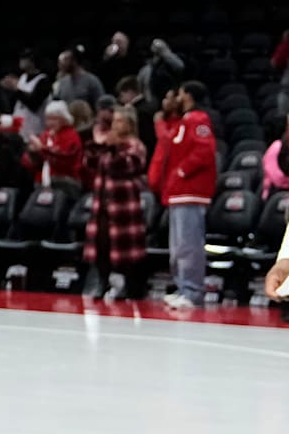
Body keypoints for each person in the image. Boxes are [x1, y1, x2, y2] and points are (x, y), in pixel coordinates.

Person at [148, 81, 217, 310]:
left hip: (190, 191)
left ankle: (193, 291)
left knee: (189, 245)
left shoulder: (198, 120)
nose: (176, 97)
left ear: (187, 95)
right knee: (178, 247)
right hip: (179, 192)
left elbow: (205, 151)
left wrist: (181, 171)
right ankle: (182, 287)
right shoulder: (184, 122)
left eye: (179, 93)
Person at [81, 106, 148, 300]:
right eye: (114, 121)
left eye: (119, 121)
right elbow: (89, 165)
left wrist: (112, 147)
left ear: (129, 124)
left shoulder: (135, 145)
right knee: (101, 246)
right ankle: (102, 283)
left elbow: (123, 166)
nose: (115, 125)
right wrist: (96, 146)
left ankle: (129, 287)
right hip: (102, 204)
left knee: (125, 249)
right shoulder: (107, 144)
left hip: (123, 206)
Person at [22, 100, 83, 191]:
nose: (50, 122)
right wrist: (32, 153)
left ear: (63, 119)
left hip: (64, 182)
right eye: (48, 119)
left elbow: (64, 159)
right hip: (42, 181)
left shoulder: (71, 136)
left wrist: (41, 148)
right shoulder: (45, 135)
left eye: (54, 119)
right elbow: (29, 163)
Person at [2, 50, 51, 139]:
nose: (21, 61)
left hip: (35, 128)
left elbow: (34, 104)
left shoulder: (43, 80)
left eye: (24, 59)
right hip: (19, 126)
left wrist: (16, 89)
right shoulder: (22, 77)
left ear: (32, 61)